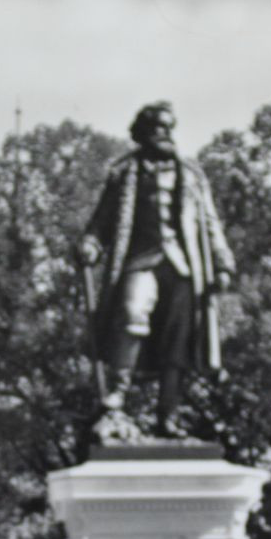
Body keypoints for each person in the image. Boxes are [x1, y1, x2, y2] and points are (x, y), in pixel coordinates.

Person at [76, 101, 236, 439]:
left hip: (183, 267)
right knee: (132, 313)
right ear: (144, 132)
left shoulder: (191, 175)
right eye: (160, 127)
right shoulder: (123, 174)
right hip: (141, 261)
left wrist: (222, 263)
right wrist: (90, 245)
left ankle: (169, 415)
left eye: (170, 126)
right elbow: (101, 223)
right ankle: (117, 397)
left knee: (177, 343)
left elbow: (210, 223)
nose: (167, 133)